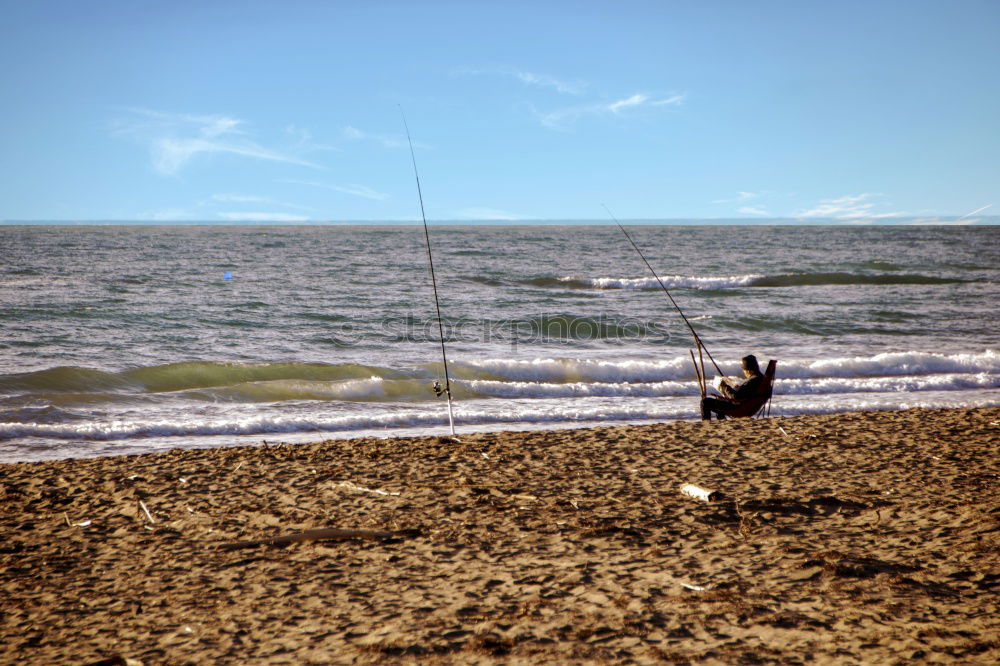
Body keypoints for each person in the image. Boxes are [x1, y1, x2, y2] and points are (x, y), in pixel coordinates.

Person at [701, 354, 765, 420]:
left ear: (749, 370)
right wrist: (737, 388)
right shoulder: (761, 379)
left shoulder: (753, 380)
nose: (744, 372)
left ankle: (706, 424)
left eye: (744, 370)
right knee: (720, 400)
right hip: (748, 406)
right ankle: (721, 421)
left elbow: (735, 396)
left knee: (705, 402)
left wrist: (724, 386)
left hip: (738, 408)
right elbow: (745, 393)